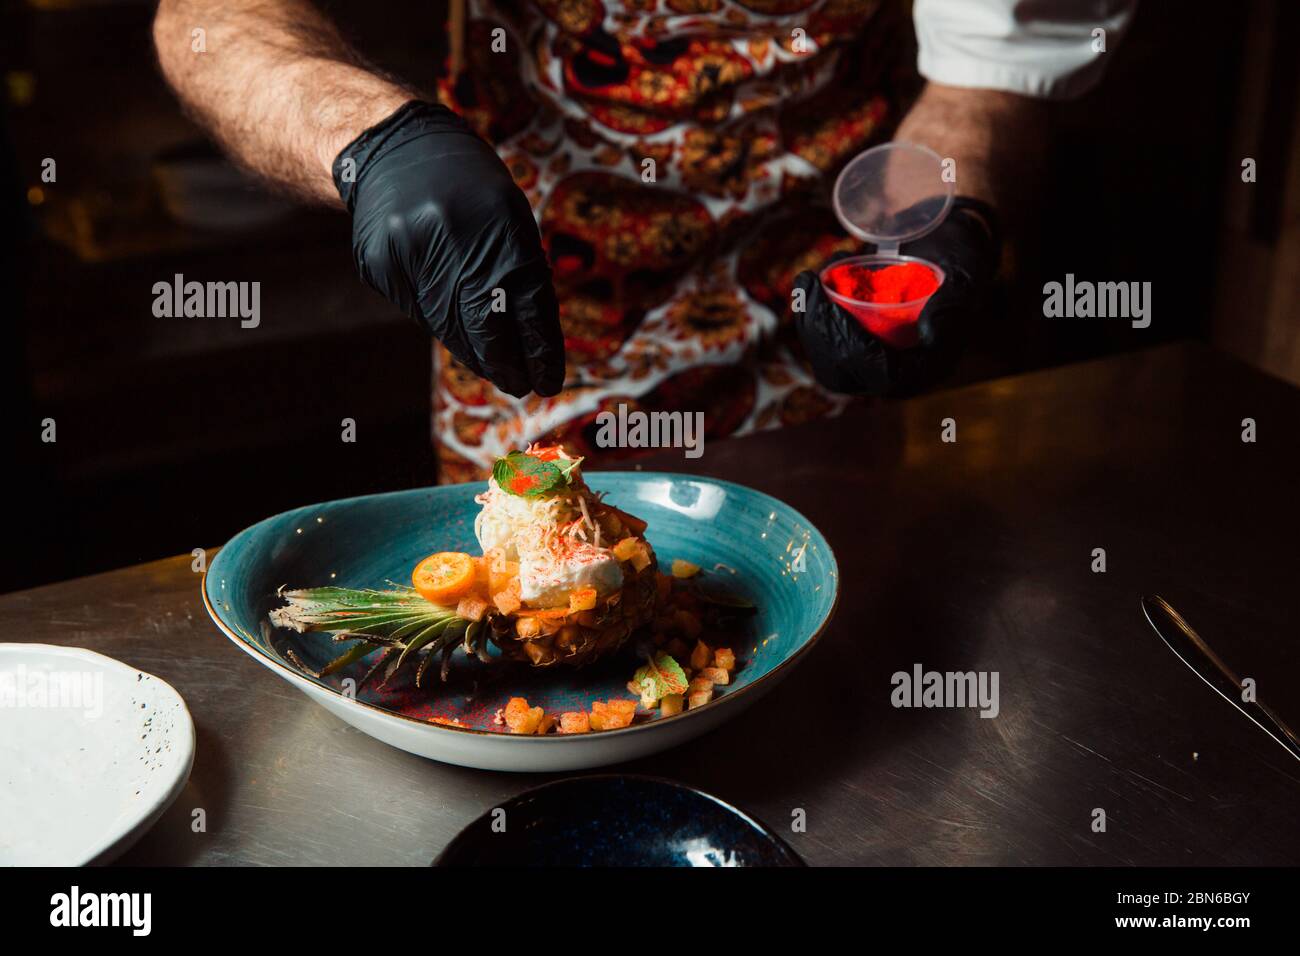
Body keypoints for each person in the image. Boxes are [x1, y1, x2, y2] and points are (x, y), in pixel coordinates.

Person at [154, 0, 1133, 481]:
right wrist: (374, 141)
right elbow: (211, 15)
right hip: (524, 317)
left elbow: (989, 67)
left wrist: (939, 220)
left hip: (830, 310)